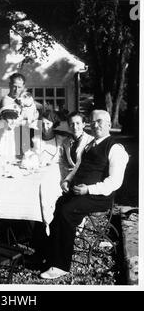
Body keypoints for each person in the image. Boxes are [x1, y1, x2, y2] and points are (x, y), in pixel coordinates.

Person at [40, 110, 129, 279]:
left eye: (100, 121)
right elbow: (78, 167)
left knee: (67, 211)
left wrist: (89, 189)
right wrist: (67, 180)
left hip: (99, 197)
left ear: (109, 124)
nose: (96, 125)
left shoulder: (115, 148)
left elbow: (115, 182)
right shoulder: (90, 145)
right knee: (58, 205)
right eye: (93, 122)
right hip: (80, 192)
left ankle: (61, 265)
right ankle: (51, 254)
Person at [61, 111, 94, 179]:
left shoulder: (91, 140)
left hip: (87, 177)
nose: (75, 127)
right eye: (72, 124)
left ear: (83, 124)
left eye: (78, 123)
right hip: (70, 178)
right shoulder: (66, 142)